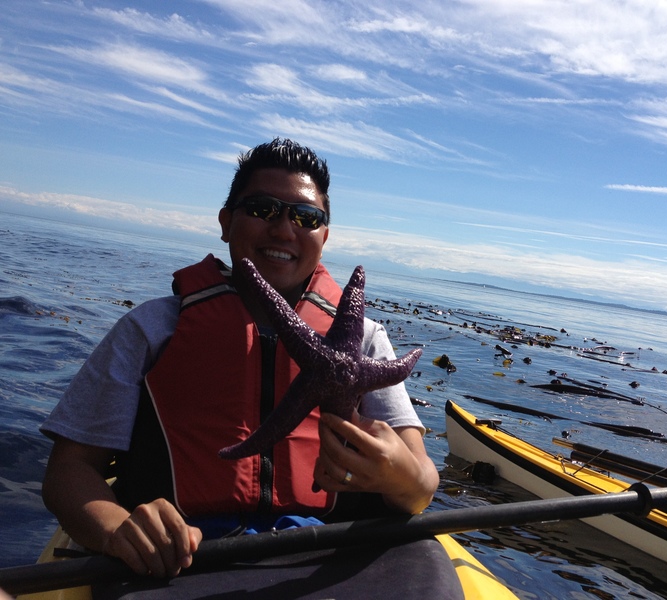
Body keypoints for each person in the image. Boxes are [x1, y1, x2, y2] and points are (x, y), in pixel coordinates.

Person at [40, 138, 440, 580]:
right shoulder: (151, 330)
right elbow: (68, 471)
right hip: (185, 559)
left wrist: (399, 475)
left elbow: (421, 485)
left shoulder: (364, 341)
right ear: (226, 222)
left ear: (324, 237)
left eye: (306, 217)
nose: (284, 230)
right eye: (263, 209)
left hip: (327, 551)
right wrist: (118, 529)